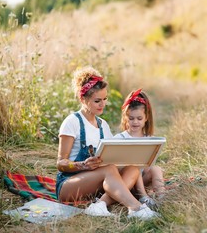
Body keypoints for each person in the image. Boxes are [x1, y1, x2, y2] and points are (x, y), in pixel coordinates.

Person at [55, 66, 159, 220]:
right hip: (69, 185)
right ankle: (136, 208)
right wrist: (83, 165)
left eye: (105, 99)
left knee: (132, 169)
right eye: (97, 101)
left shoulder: (103, 125)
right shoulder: (72, 122)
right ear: (82, 99)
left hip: (97, 184)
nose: (102, 104)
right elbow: (60, 163)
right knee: (109, 169)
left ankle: (99, 205)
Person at [114, 89, 165, 209]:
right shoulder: (119, 138)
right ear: (126, 118)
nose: (135, 122)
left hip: (141, 180)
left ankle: (161, 198)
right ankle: (143, 197)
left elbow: (148, 166)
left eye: (139, 118)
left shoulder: (149, 139)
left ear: (146, 118)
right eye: (131, 118)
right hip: (126, 182)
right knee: (134, 164)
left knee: (156, 169)